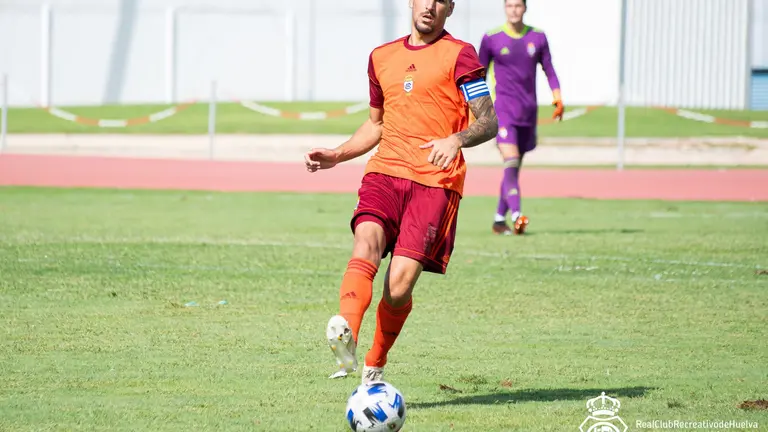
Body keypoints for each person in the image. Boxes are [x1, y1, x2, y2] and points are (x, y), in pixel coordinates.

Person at [303, 0, 498, 384]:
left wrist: (456, 139)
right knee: (366, 243)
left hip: (435, 183)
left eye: (440, 0)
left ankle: (375, 362)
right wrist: (338, 154)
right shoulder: (381, 57)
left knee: (398, 285)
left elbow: (489, 120)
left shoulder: (460, 55)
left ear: (450, 9)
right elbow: (376, 124)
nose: (430, 6)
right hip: (385, 172)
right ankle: (347, 340)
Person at [478, 0, 564, 236]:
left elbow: (549, 69)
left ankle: (498, 220)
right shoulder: (491, 38)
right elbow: (479, 76)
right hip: (502, 111)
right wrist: (474, 109)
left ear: (525, 8)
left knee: (512, 169)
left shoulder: (538, 37)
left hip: (528, 113)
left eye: (518, 5)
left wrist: (557, 97)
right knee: (511, 160)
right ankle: (517, 215)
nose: (514, 10)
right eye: (509, 6)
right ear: (504, 8)